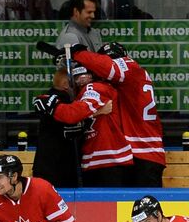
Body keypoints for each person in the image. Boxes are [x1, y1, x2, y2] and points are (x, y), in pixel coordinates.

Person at [71, 42, 164, 187]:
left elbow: (107, 67)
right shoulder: (134, 74)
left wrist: (78, 53)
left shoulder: (127, 65)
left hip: (142, 151)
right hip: (143, 150)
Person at [47, 56, 130, 187]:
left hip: (108, 158)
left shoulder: (94, 87)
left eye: (85, 75)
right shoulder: (80, 94)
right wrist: (97, 112)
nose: (81, 80)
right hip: (97, 159)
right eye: (77, 77)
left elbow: (74, 114)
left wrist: (52, 107)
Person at [29, 68, 81, 189]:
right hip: (57, 165)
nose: (78, 86)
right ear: (65, 84)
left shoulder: (52, 97)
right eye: (76, 82)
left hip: (47, 164)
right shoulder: (60, 100)